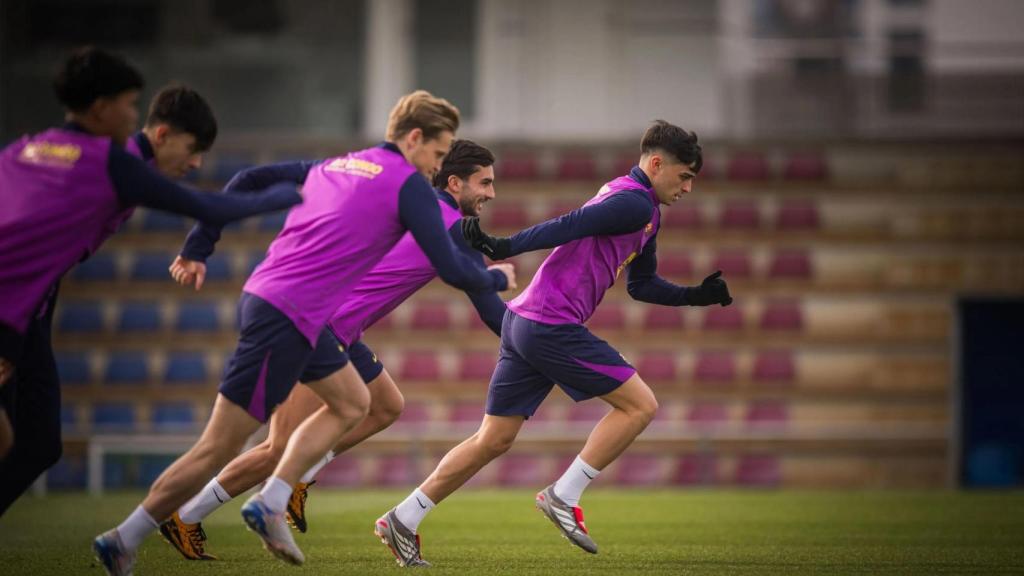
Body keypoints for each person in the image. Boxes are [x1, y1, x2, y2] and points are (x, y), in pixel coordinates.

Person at [93, 91, 513, 574]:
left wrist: (199, 245)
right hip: (304, 316)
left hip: (306, 315)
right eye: (438, 156)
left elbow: (249, 179)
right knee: (250, 445)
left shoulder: (346, 165)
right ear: (415, 139)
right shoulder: (416, 194)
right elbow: (469, 286)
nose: (435, 168)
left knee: (373, 405)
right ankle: (175, 520)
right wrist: (502, 287)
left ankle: (279, 491)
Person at [374, 120, 733, 566]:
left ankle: (403, 518)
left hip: (524, 322)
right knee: (640, 406)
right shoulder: (634, 201)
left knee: (493, 440)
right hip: (550, 323)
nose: (688, 188)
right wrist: (503, 245)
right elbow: (568, 225)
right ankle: (564, 495)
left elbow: (642, 286)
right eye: (684, 176)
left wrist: (697, 296)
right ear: (657, 164)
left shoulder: (643, 210)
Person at [0, 49, 298, 516]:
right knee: (22, 442)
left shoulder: (26, 147)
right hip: (10, 313)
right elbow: (211, 208)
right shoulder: (110, 163)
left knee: (36, 444)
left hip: (27, 314)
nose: (197, 162)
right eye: (128, 104)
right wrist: (295, 191)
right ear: (104, 109)